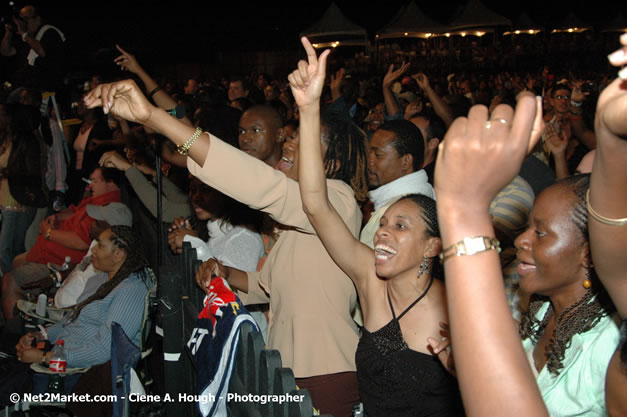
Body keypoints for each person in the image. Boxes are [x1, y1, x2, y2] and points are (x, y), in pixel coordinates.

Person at [84, 71, 368, 417]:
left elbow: (262, 185)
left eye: (306, 140)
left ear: (334, 163)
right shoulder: (297, 222)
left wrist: (153, 118)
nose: (290, 144)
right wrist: (226, 272)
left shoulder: (338, 200)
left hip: (325, 375)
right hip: (284, 370)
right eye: (292, 137)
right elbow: (266, 286)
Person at [288, 37, 462, 417]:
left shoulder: (454, 307)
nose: (383, 232)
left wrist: (466, 376)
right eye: (383, 223)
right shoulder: (370, 281)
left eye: (400, 226)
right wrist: (308, 110)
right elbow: (316, 206)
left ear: (432, 246)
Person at [516, 174, 618, 416]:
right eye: (527, 227)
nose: (521, 240)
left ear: (589, 252)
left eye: (540, 233)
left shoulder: (609, 347)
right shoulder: (543, 309)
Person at [1, 167, 121, 320]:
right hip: (56, 264)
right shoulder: (97, 200)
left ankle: (14, 330)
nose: (90, 185)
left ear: (110, 183)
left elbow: (81, 242)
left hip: (58, 263)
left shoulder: (108, 209)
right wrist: (57, 218)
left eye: (95, 181)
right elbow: (77, 211)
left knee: (8, 281)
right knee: (17, 261)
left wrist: (49, 233)